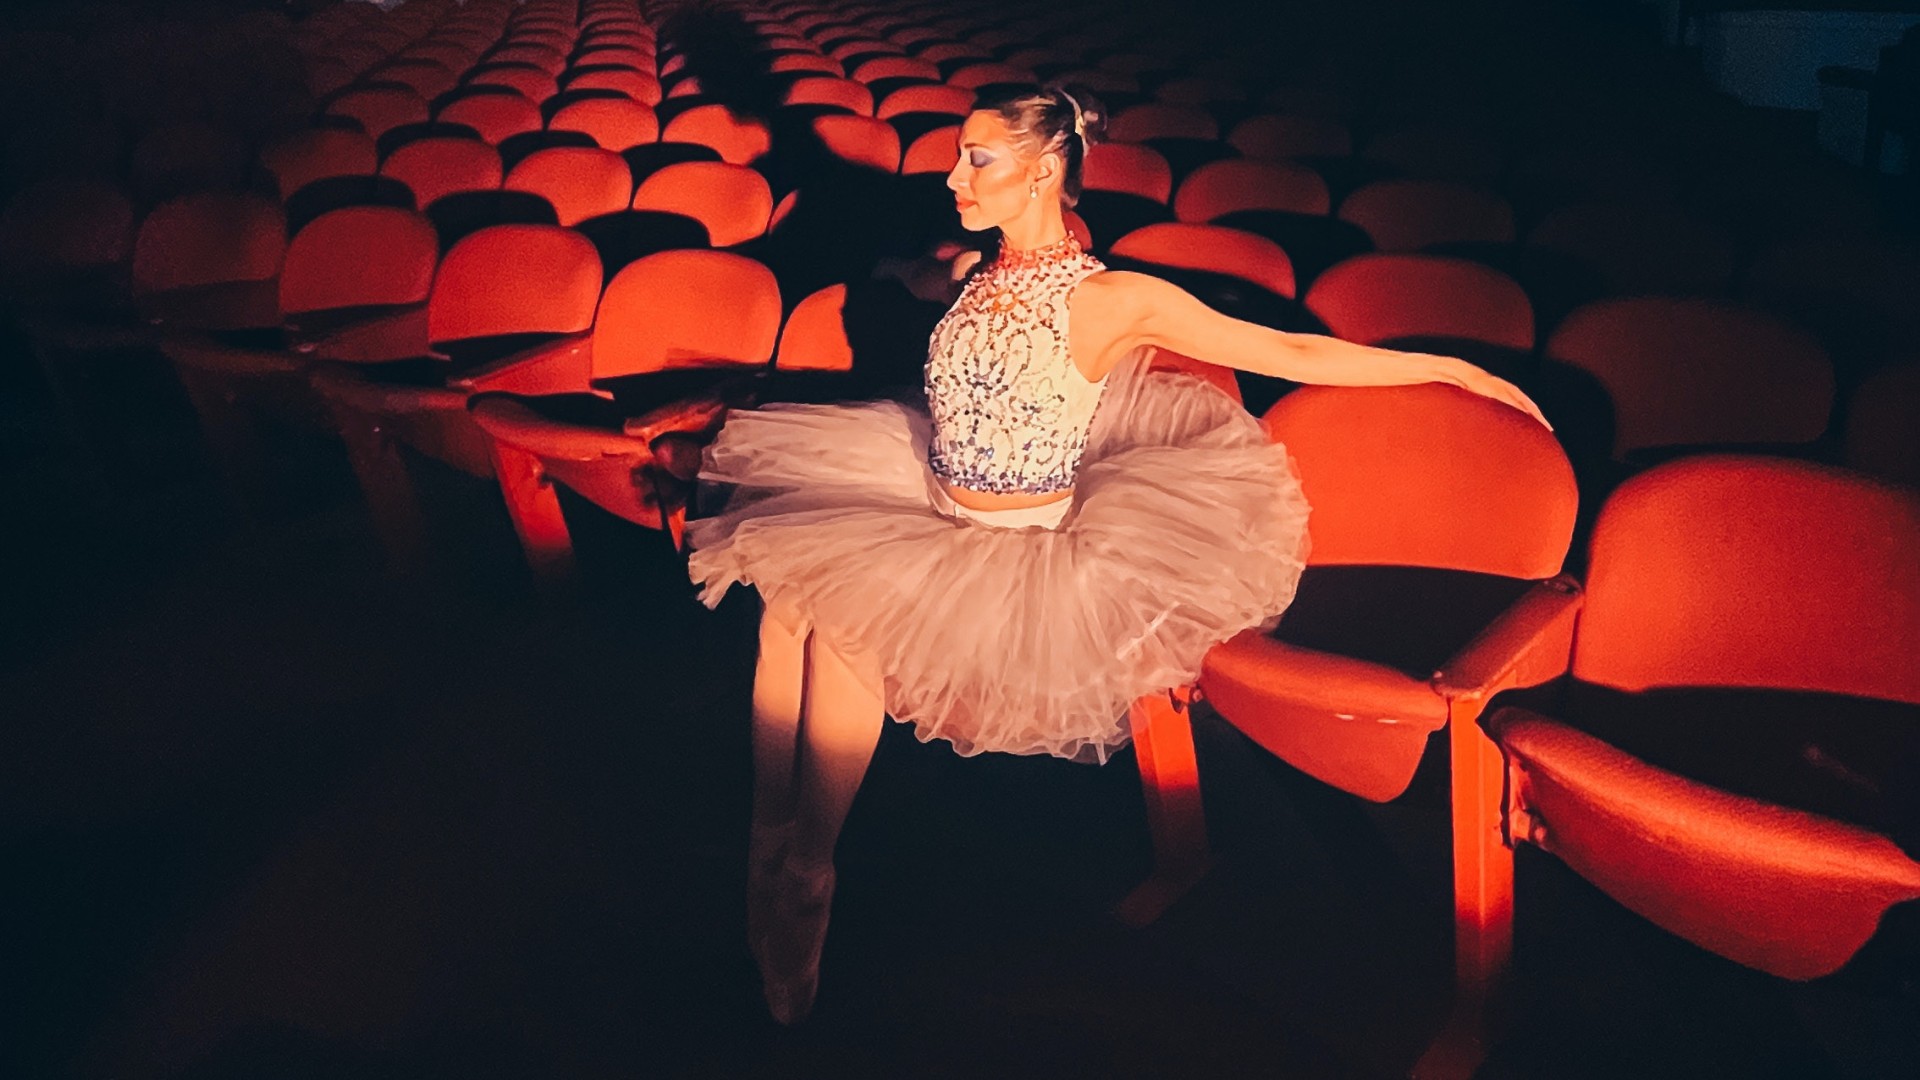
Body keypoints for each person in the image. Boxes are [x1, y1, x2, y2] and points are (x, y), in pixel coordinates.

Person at [682, 84, 1551, 1025]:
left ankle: (810, 870)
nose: (953, 175)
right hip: (922, 498)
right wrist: (904, 272)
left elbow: (1282, 347)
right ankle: (768, 838)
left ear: (1045, 168)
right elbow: (913, 273)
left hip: (1013, 545)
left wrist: (1453, 368)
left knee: (844, 621)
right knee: (787, 604)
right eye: (957, 156)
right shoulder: (975, 268)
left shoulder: (1112, 298)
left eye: (977, 158)